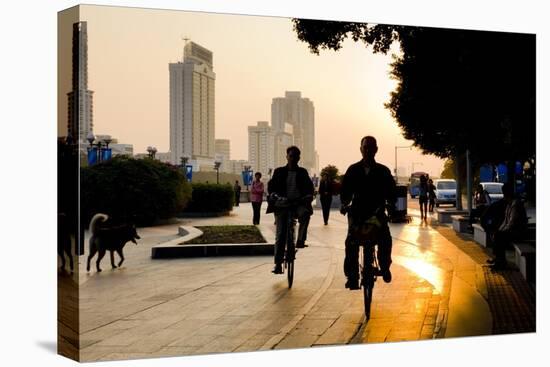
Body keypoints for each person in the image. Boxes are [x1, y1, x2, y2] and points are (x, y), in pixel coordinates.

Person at [340, 136, 396, 289]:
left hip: (376, 215)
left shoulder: (383, 171)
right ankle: (352, 276)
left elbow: (391, 192)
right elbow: (345, 192)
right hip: (357, 214)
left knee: (385, 239)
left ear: (376, 150)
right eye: (365, 147)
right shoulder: (353, 170)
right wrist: (344, 204)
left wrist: (391, 204)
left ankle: (384, 267)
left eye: (371, 147)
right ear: (360, 149)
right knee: (351, 242)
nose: (368, 150)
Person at [266, 146, 314, 274]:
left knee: (305, 214)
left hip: (298, 203)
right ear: (287, 156)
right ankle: (278, 264)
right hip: (282, 204)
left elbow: (310, 188)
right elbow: (271, 187)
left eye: (296, 156)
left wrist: (308, 196)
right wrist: (274, 195)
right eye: (291, 156)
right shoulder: (279, 172)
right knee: (280, 234)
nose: (293, 158)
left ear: (299, 158)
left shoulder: (303, 172)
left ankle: (300, 240)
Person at [487, 182, 527, 270]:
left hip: (518, 232)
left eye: (504, 194)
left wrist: (501, 232)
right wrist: (499, 230)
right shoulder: (509, 204)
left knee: (499, 236)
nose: (503, 196)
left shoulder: (515, 204)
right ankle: (498, 259)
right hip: (512, 231)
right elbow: (505, 221)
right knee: (497, 232)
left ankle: (500, 262)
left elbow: (512, 223)